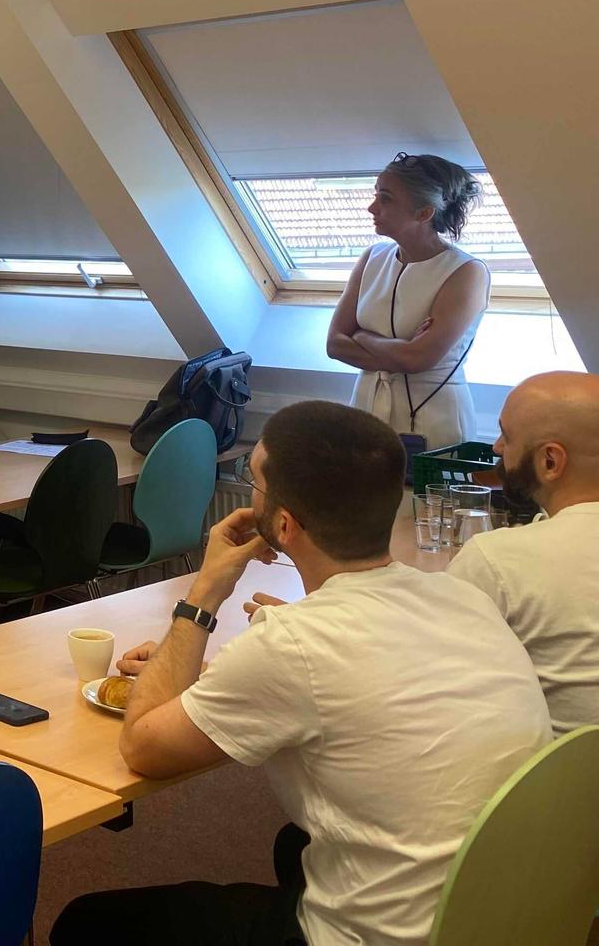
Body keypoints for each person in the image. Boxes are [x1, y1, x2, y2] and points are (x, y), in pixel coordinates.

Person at [52, 400, 549, 946]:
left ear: (282, 525)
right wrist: (257, 666)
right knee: (294, 846)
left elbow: (143, 747)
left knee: (85, 922)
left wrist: (204, 593)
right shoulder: (461, 595)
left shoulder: (293, 643)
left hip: (387, 937)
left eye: (255, 482)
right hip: (505, 909)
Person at [449, 370, 599, 734]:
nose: (497, 447)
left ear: (550, 462)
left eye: (507, 435)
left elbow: (425, 674)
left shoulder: (496, 559)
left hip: (551, 783)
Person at [326, 152, 490, 448]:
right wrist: (401, 350)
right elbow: (334, 344)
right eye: (376, 195)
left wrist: (363, 336)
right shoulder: (372, 257)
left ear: (424, 213)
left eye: (386, 199)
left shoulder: (467, 272)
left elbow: (418, 359)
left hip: (433, 420)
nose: (371, 207)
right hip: (365, 412)